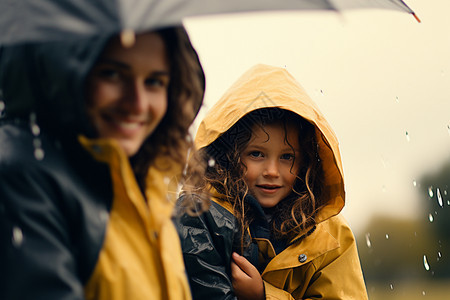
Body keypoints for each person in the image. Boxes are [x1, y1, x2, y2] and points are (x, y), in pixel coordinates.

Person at [0, 26, 205, 299]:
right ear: (62, 74)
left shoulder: (145, 182)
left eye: (155, 81)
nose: (137, 103)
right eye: (112, 74)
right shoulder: (23, 177)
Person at [175, 64, 369, 299]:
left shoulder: (332, 235)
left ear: (306, 163)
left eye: (287, 157)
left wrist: (263, 295)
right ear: (229, 157)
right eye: (256, 154)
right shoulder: (201, 217)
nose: (272, 171)